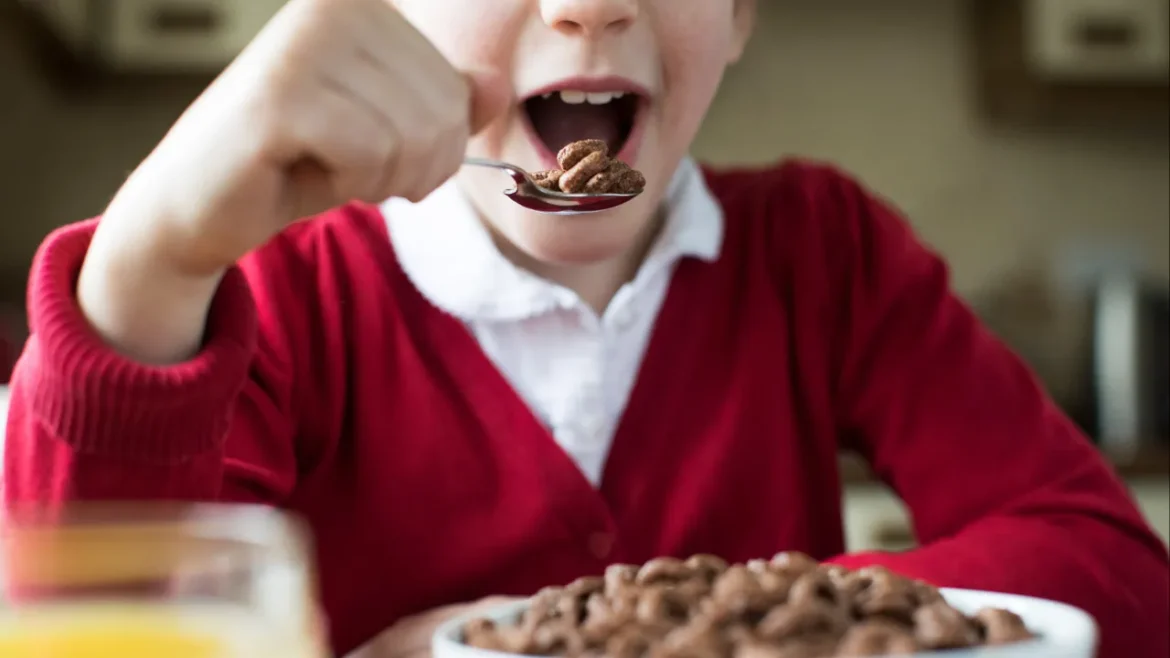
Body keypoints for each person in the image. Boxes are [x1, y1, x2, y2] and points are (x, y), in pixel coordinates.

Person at [3, 0, 1167, 655]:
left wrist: (703, 628)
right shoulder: (276, 297)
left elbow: (1114, 569)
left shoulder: (824, 255)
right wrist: (154, 256)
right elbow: (83, 619)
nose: (589, 6)